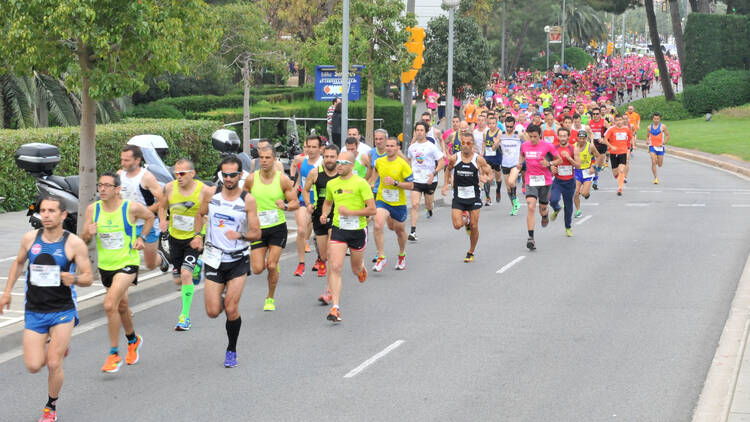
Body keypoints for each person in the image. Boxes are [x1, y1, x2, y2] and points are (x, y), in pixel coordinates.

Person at [0, 196, 93, 422]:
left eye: (52, 210)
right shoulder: (30, 239)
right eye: (43, 211)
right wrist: (7, 292)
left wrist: (75, 279)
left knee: (53, 363)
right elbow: (19, 263)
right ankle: (56, 346)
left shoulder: (74, 243)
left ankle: (50, 407)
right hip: (34, 309)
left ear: (63, 215)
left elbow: (89, 277)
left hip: (62, 310)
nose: (47, 215)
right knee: (33, 366)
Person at [81, 172, 155, 373]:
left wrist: (143, 237)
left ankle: (113, 354)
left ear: (117, 189)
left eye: (107, 185)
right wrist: (89, 232)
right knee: (121, 306)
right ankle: (133, 340)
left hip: (127, 263)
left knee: (109, 304)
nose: (102, 189)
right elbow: (84, 239)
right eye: (100, 185)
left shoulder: (129, 208)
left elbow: (150, 216)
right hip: (106, 266)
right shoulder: (92, 210)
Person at [193, 156, 261, 367]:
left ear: (240, 175)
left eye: (233, 175)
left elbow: (256, 232)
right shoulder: (211, 194)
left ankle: (231, 349)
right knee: (213, 312)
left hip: (238, 259)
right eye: (225, 175)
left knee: (231, 309)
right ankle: (222, 294)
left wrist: (240, 236)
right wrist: (197, 235)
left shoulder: (247, 200)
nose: (229, 179)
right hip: (214, 258)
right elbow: (199, 214)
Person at [319, 150, 376, 322]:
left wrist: (350, 212)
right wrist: (324, 214)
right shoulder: (332, 184)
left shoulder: (361, 183)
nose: (339, 166)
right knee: (335, 266)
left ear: (351, 166)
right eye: (338, 162)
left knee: (355, 269)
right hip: (338, 229)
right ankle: (335, 308)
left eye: (343, 163)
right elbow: (328, 201)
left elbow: (372, 210)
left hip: (358, 231)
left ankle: (361, 269)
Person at [245, 145, 299, 311]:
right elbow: (242, 198)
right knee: (258, 269)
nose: (264, 161)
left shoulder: (281, 179)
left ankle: (270, 297)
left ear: (274, 159)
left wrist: (285, 207)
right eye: (261, 158)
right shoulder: (251, 179)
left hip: (277, 227)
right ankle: (271, 264)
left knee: (271, 265)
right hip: (258, 229)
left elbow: (295, 203)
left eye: (268, 158)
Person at [158, 159, 207, 331]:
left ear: (192, 174)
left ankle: (184, 316)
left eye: (182, 173)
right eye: (176, 173)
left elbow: (207, 214)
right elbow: (162, 207)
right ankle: (196, 266)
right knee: (179, 279)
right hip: (175, 237)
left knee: (185, 275)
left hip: (193, 238)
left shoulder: (202, 190)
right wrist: (162, 220)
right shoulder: (170, 188)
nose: (178, 177)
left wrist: (199, 235)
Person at [442, 131, 492, 263]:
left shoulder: (478, 159)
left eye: (468, 143)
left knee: (475, 226)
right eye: (463, 143)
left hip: (474, 196)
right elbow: (448, 169)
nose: (465, 145)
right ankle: (466, 221)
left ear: (472, 144)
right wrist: (445, 184)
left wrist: (486, 178)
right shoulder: (454, 158)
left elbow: (489, 172)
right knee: (457, 225)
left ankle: (471, 251)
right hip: (458, 196)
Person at [118, 145, 169, 272]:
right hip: (127, 225)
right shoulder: (119, 175)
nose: (123, 163)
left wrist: (144, 212)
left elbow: (164, 200)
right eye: (122, 159)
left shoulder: (146, 177)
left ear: (137, 160)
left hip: (147, 224)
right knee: (124, 262)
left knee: (150, 264)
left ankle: (161, 259)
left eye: (127, 160)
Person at [303, 144, 339, 302]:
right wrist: (308, 204)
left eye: (332, 157)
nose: (329, 160)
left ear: (338, 158)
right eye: (327, 156)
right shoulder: (315, 173)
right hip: (319, 217)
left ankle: (329, 290)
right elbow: (305, 189)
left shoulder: (341, 173)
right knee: (323, 256)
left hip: (337, 217)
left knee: (331, 255)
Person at [372, 137, 414, 271]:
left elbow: (412, 185)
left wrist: (396, 183)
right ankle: (381, 256)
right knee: (378, 224)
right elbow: (375, 173)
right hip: (382, 200)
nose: (389, 148)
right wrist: (371, 183)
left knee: (398, 230)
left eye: (392, 146)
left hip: (398, 202)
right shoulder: (379, 161)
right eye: (387, 146)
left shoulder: (403, 165)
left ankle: (402, 254)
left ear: (398, 148)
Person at [518, 125, 561, 251]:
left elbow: (559, 159)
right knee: (531, 206)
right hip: (530, 180)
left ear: (540, 135)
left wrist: (549, 163)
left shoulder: (548, 146)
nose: (532, 139)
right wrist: (520, 163)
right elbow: (522, 155)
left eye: (535, 137)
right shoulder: (524, 145)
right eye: (530, 136)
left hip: (545, 181)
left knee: (543, 208)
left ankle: (545, 215)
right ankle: (531, 238)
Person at [407, 122, 445, 241]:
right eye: (417, 130)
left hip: (430, 180)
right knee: (415, 205)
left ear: (426, 132)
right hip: (416, 180)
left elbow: (441, 162)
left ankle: (430, 209)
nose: (419, 132)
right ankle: (413, 232)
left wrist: (434, 173)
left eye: (421, 130)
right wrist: (408, 175)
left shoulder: (431, 146)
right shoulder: (412, 147)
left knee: (428, 204)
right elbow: (409, 161)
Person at [291, 135, 323, 277]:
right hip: (304, 201)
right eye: (308, 146)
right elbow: (301, 178)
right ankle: (301, 263)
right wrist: (295, 186)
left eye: (314, 147)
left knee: (320, 236)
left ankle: (320, 259)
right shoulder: (302, 160)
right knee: (301, 230)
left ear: (320, 149)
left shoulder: (323, 164)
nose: (310, 150)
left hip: (321, 203)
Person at [549, 128, 580, 237]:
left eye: (564, 136)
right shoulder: (554, 148)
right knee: (552, 200)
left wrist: (569, 158)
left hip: (569, 182)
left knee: (568, 206)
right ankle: (556, 208)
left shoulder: (573, 148)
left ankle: (568, 227)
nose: (562, 138)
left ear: (568, 137)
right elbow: (548, 162)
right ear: (558, 136)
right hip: (558, 180)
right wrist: (552, 167)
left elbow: (578, 165)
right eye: (560, 136)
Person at [602, 114, 634, 196]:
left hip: (623, 152)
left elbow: (631, 137)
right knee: (615, 173)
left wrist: (633, 145)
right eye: (617, 120)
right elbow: (605, 140)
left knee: (621, 170)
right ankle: (619, 178)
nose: (619, 122)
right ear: (615, 121)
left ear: (623, 120)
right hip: (613, 153)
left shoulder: (626, 129)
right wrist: (611, 146)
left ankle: (620, 188)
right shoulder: (611, 130)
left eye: (620, 120)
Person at [573, 130, 601, 218]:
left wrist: (594, 166)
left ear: (586, 138)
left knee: (584, 193)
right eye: (580, 138)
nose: (581, 140)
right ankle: (578, 210)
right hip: (577, 171)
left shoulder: (590, 146)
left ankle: (586, 194)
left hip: (587, 172)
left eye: (583, 138)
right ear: (577, 138)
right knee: (576, 192)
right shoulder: (573, 147)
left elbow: (598, 156)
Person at [500, 115, 523, 215]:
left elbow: (527, 145)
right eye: (507, 126)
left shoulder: (519, 135)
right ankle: (514, 205)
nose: (509, 129)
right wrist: (495, 144)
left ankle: (515, 203)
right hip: (505, 164)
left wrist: (522, 160)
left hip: (515, 164)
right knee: (508, 188)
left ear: (514, 126)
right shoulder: (501, 134)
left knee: (511, 181)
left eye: (511, 127)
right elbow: (493, 147)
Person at [482, 114, 504, 206]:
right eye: (490, 123)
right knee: (488, 177)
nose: (491, 125)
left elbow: (496, 145)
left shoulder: (499, 132)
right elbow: (484, 143)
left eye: (493, 123)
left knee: (498, 177)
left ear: (496, 124)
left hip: (497, 157)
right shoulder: (485, 133)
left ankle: (498, 190)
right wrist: (482, 153)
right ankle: (488, 197)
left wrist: (495, 144)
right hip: (488, 157)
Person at [646, 112, 670, 184]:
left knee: (659, 165)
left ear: (660, 119)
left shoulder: (663, 126)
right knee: (653, 162)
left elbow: (668, 136)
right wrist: (647, 141)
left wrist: (663, 143)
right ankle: (655, 178)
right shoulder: (649, 127)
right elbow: (647, 136)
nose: (656, 120)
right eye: (655, 119)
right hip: (652, 146)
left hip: (660, 147)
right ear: (653, 119)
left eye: (658, 119)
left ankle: (656, 159)